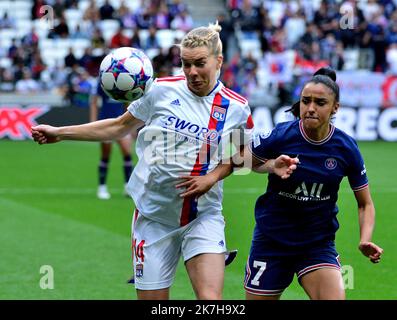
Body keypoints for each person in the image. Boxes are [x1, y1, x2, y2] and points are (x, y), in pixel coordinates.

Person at [31, 22, 297, 300]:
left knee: (211, 300)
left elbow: (241, 158)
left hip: (202, 216)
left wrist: (270, 165)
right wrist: (60, 133)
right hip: (153, 217)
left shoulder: (237, 108)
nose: (192, 72)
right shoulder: (160, 91)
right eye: (185, 64)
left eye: (199, 64)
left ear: (218, 61)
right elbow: (119, 127)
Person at [180, 67, 383, 300]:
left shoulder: (346, 148)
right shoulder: (283, 135)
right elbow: (243, 160)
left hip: (316, 245)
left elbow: (365, 204)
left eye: (320, 102)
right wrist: (211, 177)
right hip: (271, 242)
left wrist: (365, 239)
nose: (311, 108)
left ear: (335, 107)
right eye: (306, 101)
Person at [90, 80, 134, 200]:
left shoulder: (125, 82)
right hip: (106, 123)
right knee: (105, 155)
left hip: (122, 123)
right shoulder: (103, 82)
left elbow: (127, 104)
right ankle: (102, 187)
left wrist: (131, 124)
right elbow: (94, 101)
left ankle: (128, 186)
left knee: (127, 153)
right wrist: (94, 122)